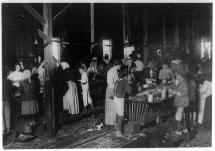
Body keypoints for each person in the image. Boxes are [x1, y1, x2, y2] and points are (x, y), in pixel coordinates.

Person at [114, 65, 132, 137]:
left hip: (116, 98)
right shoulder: (124, 81)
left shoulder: (117, 81)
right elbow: (129, 91)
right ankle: (119, 132)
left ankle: (116, 126)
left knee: (118, 113)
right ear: (125, 76)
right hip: (120, 99)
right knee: (121, 115)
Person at [105, 59, 122, 126]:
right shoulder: (110, 72)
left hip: (115, 89)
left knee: (115, 106)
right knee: (111, 107)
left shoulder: (116, 71)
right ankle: (111, 122)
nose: (120, 67)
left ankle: (115, 122)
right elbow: (109, 83)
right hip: (111, 90)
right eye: (119, 66)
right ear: (115, 65)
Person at [3, 67, 12, 134]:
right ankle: (8, 128)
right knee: (7, 114)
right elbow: (10, 91)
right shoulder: (6, 81)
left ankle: (3, 129)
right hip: (7, 99)